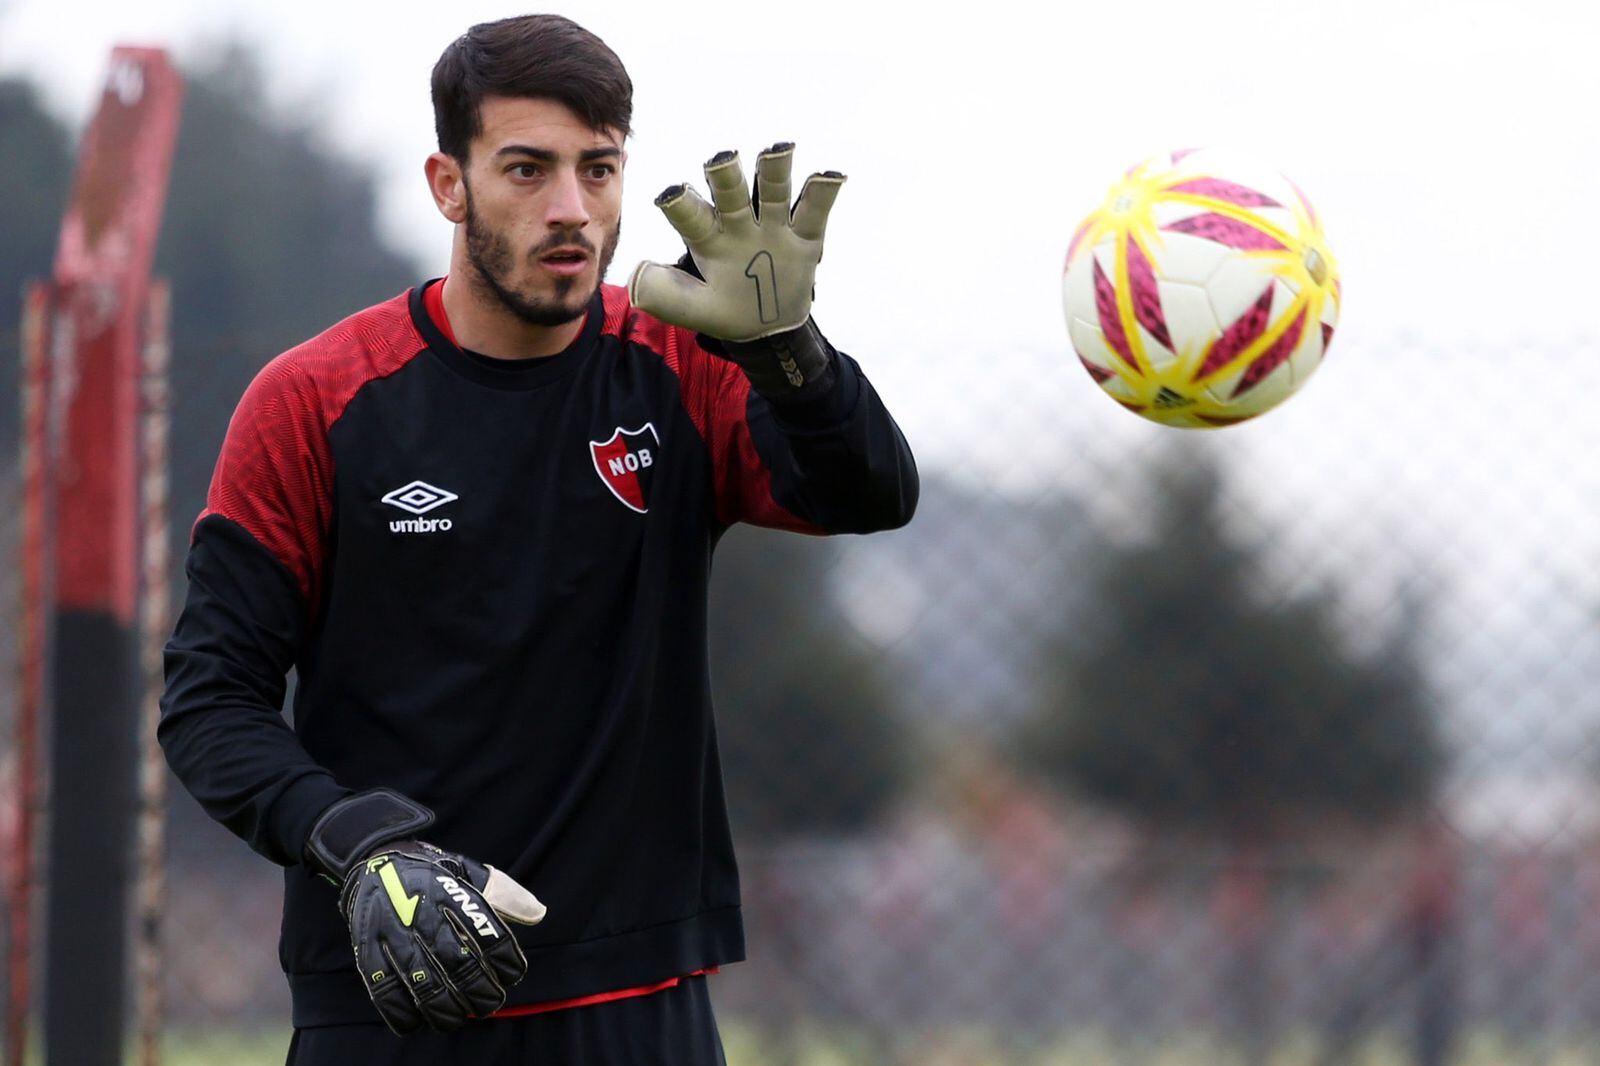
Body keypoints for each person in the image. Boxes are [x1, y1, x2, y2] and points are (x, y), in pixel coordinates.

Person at [158, 13, 917, 1065]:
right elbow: (209, 704)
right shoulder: (313, 403)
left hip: (634, 996)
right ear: (447, 183)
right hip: (390, 999)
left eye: (597, 169)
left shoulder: (678, 365)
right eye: (527, 169)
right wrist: (358, 845)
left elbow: (868, 493)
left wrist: (793, 354)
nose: (571, 208)